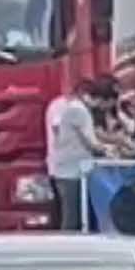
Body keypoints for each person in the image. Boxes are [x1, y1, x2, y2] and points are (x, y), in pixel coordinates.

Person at [45, 79, 102, 230]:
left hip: (66, 169)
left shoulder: (73, 108)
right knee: (72, 216)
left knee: (72, 214)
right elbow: (90, 141)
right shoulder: (78, 110)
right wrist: (106, 150)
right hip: (71, 171)